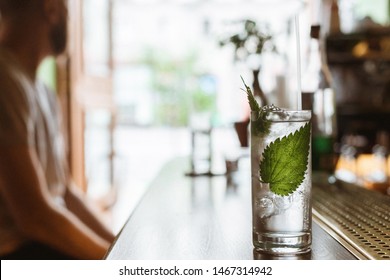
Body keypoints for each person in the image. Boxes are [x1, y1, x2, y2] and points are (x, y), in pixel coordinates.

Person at [0, 0, 115, 259]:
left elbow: (65, 191)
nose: (71, 22)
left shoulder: (42, 91)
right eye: (68, 11)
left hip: (43, 245)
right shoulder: (5, 81)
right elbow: (34, 216)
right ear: (50, 8)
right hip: (21, 253)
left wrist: (120, 247)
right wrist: (121, 267)